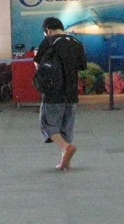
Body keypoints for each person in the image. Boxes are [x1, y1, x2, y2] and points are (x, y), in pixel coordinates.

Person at [34, 16, 87, 171]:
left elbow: (38, 64)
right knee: (66, 128)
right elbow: (82, 66)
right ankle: (65, 162)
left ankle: (66, 147)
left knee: (47, 125)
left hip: (53, 92)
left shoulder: (49, 41)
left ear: (48, 30)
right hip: (71, 93)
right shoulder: (76, 42)